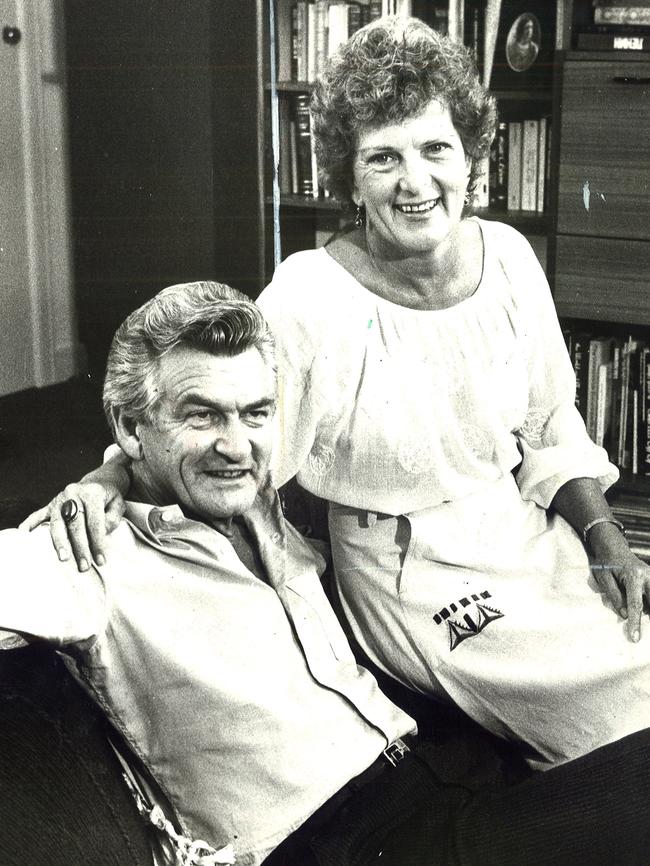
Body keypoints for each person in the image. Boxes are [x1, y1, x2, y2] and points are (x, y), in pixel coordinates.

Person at [27, 18, 650, 770]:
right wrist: (105, 477)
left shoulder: (512, 259)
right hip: (407, 573)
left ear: (471, 156)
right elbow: (236, 442)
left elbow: (553, 425)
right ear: (349, 177)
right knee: (612, 720)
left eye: (434, 149)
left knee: (637, 646)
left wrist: (602, 535)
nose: (414, 183)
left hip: (520, 533)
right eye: (383, 158)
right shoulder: (311, 296)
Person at [10, 280, 650, 866]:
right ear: (130, 426)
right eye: (201, 415)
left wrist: (114, 471)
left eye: (255, 413)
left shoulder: (259, 506)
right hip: (340, 842)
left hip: (436, 775)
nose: (236, 446)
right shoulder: (86, 551)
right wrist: (96, 485)